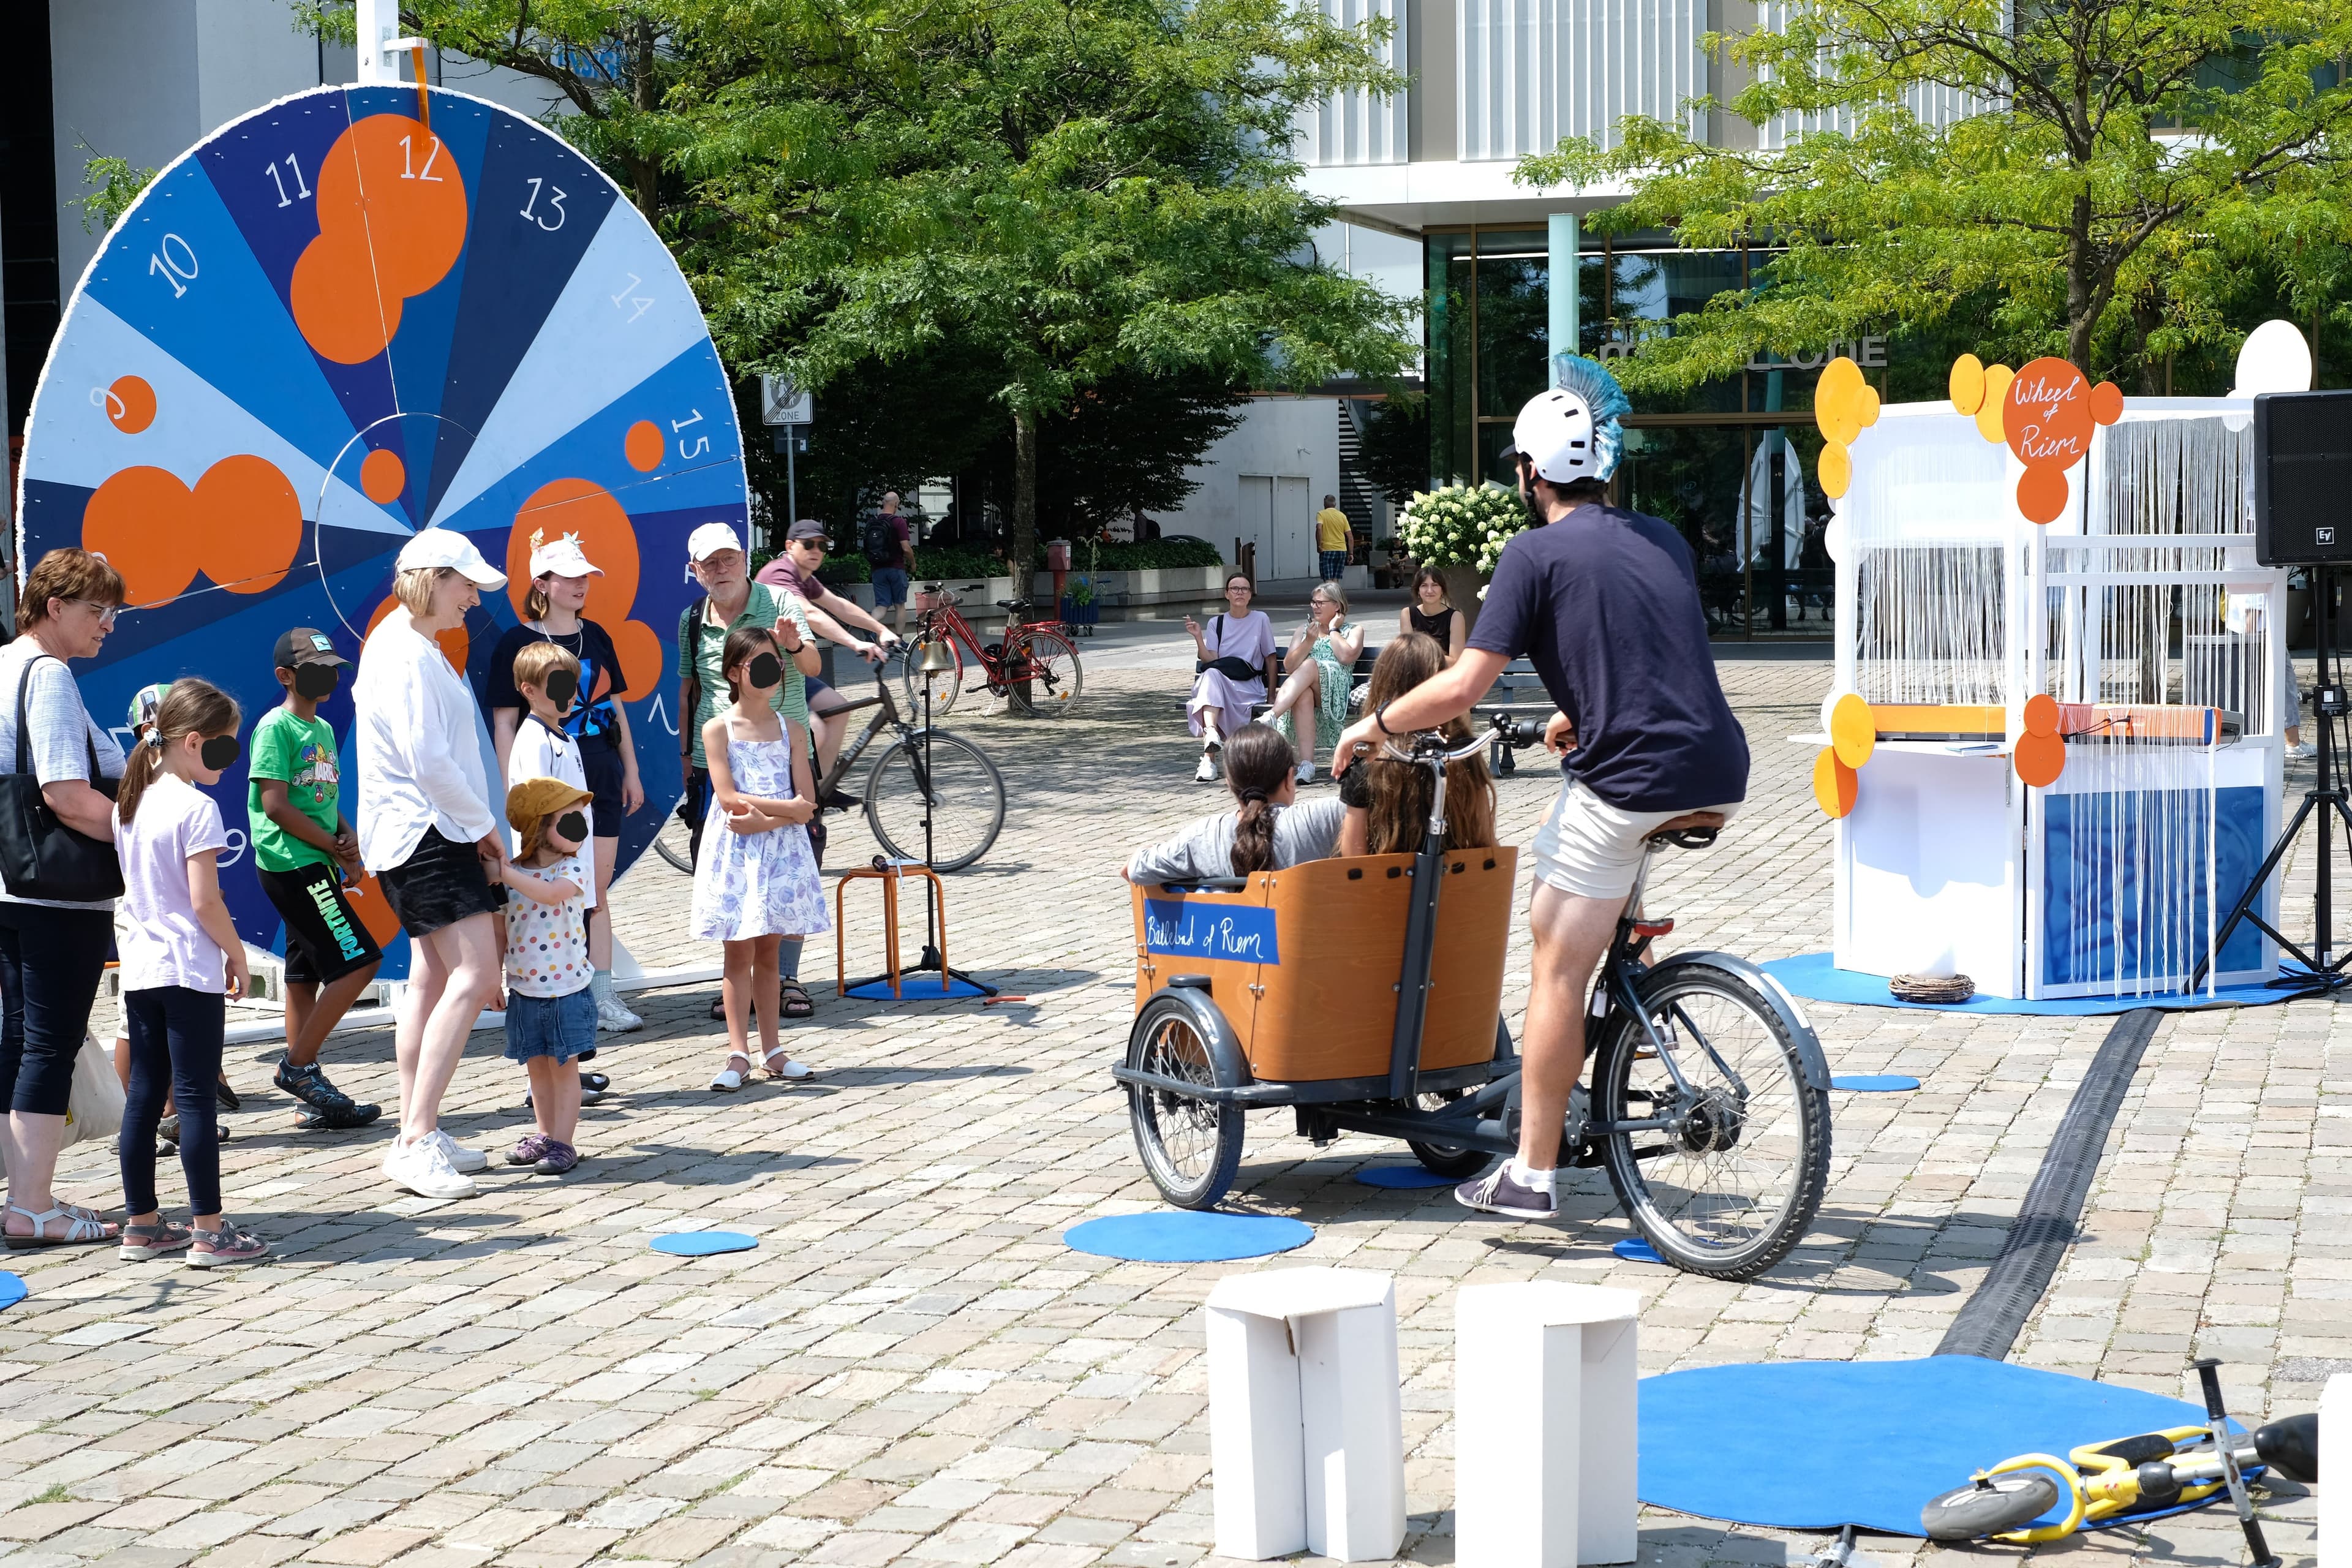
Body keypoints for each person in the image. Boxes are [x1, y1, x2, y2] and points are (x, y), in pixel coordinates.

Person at [1333, 358, 1750, 1224]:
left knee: (1554, 958)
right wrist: (1578, 714)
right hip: (1718, 764)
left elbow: (1459, 690)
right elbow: (1642, 649)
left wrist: (1375, 727)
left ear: (1529, 474)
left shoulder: (1531, 553)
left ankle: (1530, 1170)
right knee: (1593, 931)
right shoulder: (1663, 537)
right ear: (1607, 466)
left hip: (1631, 775)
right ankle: (1630, 1008)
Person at [355, 528, 510, 1202]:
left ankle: (418, 1131)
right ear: (431, 578)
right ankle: (416, 1138)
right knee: (475, 974)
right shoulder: (407, 650)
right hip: (430, 831)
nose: (474, 597)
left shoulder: (407, 643)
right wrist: (483, 827)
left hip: (423, 830)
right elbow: (429, 758)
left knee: (431, 976)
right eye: (465, 583)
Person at [111, 679, 267, 1267]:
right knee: (197, 1097)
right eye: (226, 748)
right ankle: (209, 1230)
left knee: (145, 1097)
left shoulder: (131, 804)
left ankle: (143, 1224)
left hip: (142, 970)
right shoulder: (196, 808)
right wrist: (237, 953)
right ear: (194, 742)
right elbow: (205, 901)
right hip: (187, 969)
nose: (230, 761)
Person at [0, 549, 127, 1250]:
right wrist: (145, 838)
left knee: (18, 1039)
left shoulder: (4, 663)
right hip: (56, 891)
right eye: (96, 610)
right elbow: (65, 793)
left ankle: (25, 1192)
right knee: (46, 1043)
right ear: (55, 608)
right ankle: (32, 1205)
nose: (108, 625)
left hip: (12, 882)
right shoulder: (47, 674)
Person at [485, 532, 647, 1033]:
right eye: (570, 577)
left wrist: (632, 770)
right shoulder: (516, 643)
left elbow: (614, 702)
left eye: (585, 576)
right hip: (546, 781)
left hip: (599, 769)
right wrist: (519, 790)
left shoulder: (596, 634)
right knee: (546, 886)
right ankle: (541, 992)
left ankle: (602, 994)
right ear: (542, 583)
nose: (581, 585)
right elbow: (505, 722)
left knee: (595, 889)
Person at [678, 523, 822, 1018]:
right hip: (716, 757)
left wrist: (794, 645)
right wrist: (685, 759)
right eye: (709, 564)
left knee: (792, 863)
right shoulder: (692, 618)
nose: (721, 571)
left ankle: (786, 977)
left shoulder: (780, 602)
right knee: (726, 868)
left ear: (744, 556)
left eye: (728, 559)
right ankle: (737, 982)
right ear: (695, 571)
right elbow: (689, 690)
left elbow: (813, 667)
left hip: (781, 748)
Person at [247, 630, 383, 1131]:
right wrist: (330, 847)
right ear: (286, 676)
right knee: (360, 962)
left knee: (303, 977)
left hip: (318, 861)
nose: (327, 677)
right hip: (292, 863)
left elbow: (324, 802)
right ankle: (298, 1069)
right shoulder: (274, 729)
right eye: (314, 669)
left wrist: (347, 844)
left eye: (331, 668)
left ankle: (311, 1097)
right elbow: (275, 805)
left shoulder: (323, 728)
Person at [694, 627, 827, 1090]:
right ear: (735, 672)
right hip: (737, 850)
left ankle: (773, 1049)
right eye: (758, 664)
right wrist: (784, 810)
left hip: (778, 848)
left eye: (775, 663)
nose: (770, 673)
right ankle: (737, 1053)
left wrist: (772, 819)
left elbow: (805, 799)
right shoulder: (717, 728)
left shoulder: (792, 729)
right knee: (738, 951)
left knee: (769, 950)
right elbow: (727, 795)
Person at [505, 640, 611, 1106]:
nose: (570, 694)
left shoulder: (563, 737)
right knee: (545, 977)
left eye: (573, 684)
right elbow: (533, 809)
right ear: (529, 690)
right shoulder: (532, 739)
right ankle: (542, 1077)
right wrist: (546, 870)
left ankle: (563, 1063)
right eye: (558, 685)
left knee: (569, 967)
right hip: (546, 881)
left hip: (569, 875)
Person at [494, 778, 598, 1175]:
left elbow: (552, 894)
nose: (580, 830)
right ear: (538, 828)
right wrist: (494, 978)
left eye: (581, 821)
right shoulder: (515, 876)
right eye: (569, 822)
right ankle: (544, 1134)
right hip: (524, 990)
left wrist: (504, 873)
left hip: (568, 989)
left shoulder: (573, 867)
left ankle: (564, 1143)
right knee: (537, 1069)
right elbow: (500, 929)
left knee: (565, 1068)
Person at [755, 520, 903, 785]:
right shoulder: (778, 574)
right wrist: (855, 643)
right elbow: (809, 613)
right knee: (815, 731)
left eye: (823, 545)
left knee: (837, 708)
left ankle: (822, 789)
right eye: (809, 544)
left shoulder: (803, 576)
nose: (817, 550)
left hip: (791, 670)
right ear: (790, 546)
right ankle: (794, 795)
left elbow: (839, 606)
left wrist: (881, 630)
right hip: (767, 677)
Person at [1336, 632, 1498, 856]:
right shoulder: (1461, 752)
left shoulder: (1369, 759)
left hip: (1382, 887)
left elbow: (1353, 858)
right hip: (1454, 886)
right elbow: (1486, 844)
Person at [1125, 724, 1345, 883]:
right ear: (1290, 778)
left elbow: (1134, 870)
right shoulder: (1322, 818)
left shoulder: (1204, 836)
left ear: (1229, 784)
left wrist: (1147, 850)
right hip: (1317, 944)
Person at [1263, 583, 1364, 784]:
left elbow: (1346, 657)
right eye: (1313, 602)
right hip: (1308, 689)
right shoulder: (1304, 630)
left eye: (1321, 603)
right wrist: (1308, 641)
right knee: (1303, 695)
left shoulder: (1354, 630)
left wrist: (1334, 630)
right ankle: (1307, 765)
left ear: (1337, 606)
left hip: (1337, 687)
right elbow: (1290, 667)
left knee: (1310, 664)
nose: (1315, 607)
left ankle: (1273, 715)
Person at [1184, 573, 1275, 783]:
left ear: (1251, 595)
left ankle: (1209, 755)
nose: (1239, 592)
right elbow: (1211, 659)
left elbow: (1270, 658)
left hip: (1248, 685)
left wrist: (1271, 695)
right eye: (1235, 588)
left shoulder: (1260, 619)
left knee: (1210, 682)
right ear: (1227, 594)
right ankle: (1211, 742)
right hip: (1221, 683)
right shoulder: (1217, 622)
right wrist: (1198, 637)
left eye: (1245, 589)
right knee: (1212, 674)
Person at [862, 491, 915, 642]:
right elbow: (906, 548)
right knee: (900, 605)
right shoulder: (899, 522)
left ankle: (870, 629)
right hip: (896, 568)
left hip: (877, 569)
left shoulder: (873, 522)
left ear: (883, 502)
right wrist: (913, 562)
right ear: (896, 504)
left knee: (881, 606)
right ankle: (898, 640)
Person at [1400, 568, 1467, 666]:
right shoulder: (1407, 614)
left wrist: (1422, 655)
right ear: (1418, 590)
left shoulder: (1456, 617)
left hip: (1445, 676)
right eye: (1424, 586)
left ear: (1442, 590)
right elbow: (1407, 656)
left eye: (1435, 585)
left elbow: (1456, 661)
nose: (1430, 591)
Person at [1316, 495, 1352, 584]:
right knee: (1336, 579)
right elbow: (1350, 536)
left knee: (1328, 579)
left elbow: (1319, 529)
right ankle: (1336, 597)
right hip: (1341, 551)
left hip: (1327, 549)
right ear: (1335, 504)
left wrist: (1319, 545)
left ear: (1325, 501)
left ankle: (1330, 597)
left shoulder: (1321, 514)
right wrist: (1351, 553)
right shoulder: (1342, 516)